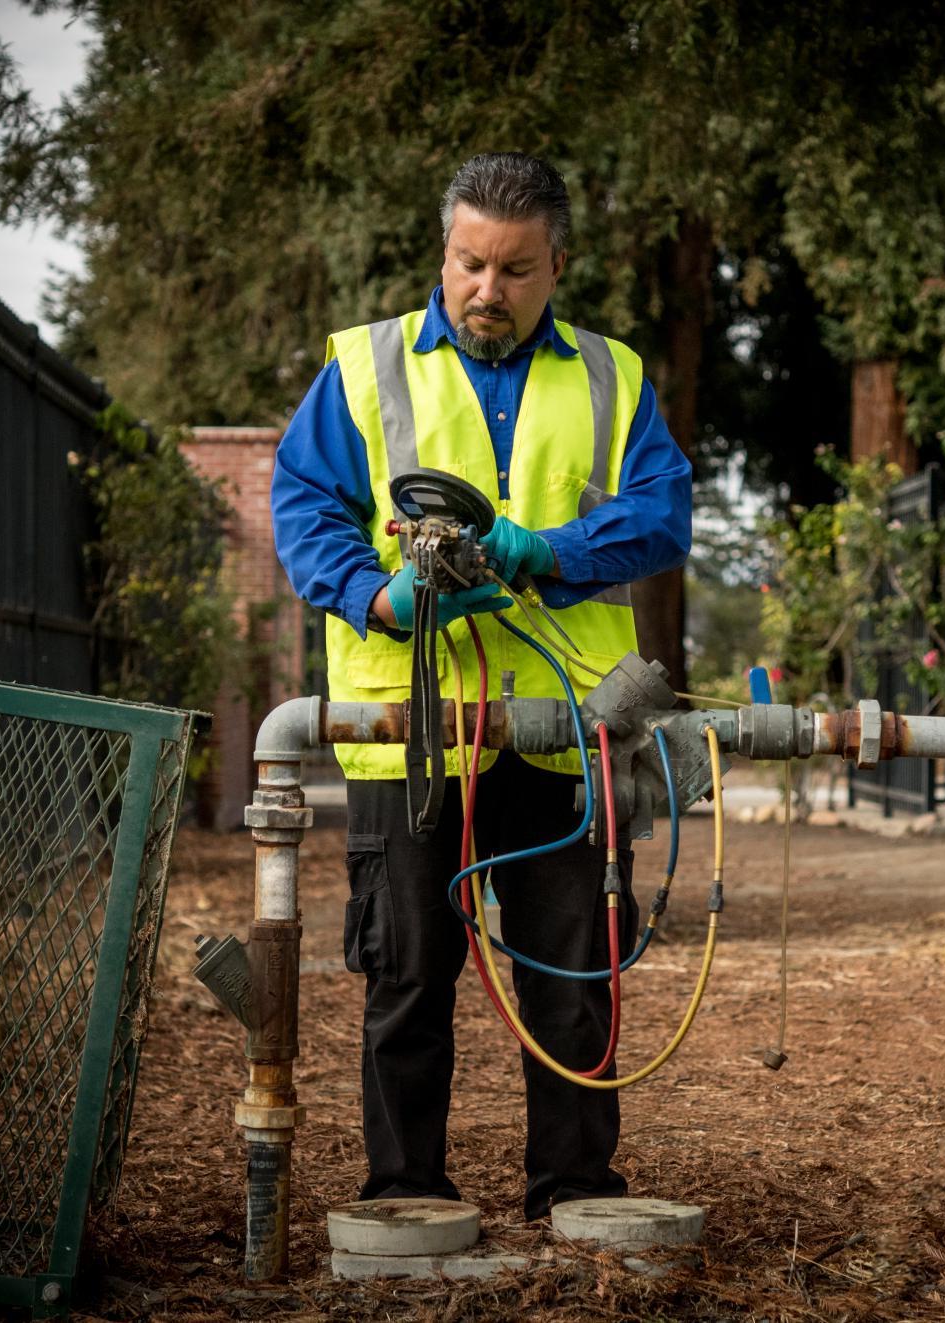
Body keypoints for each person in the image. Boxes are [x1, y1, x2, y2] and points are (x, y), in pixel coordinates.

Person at [269, 152, 692, 1220]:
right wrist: (376, 600)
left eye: (512, 271)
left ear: (558, 265)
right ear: (443, 253)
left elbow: (662, 515)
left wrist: (537, 548)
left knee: (573, 972)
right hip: (413, 730)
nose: (484, 292)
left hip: (566, 734)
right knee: (407, 976)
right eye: (467, 264)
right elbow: (305, 507)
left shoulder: (613, 375)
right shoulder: (365, 368)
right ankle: (405, 1192)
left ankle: (574, 1189)